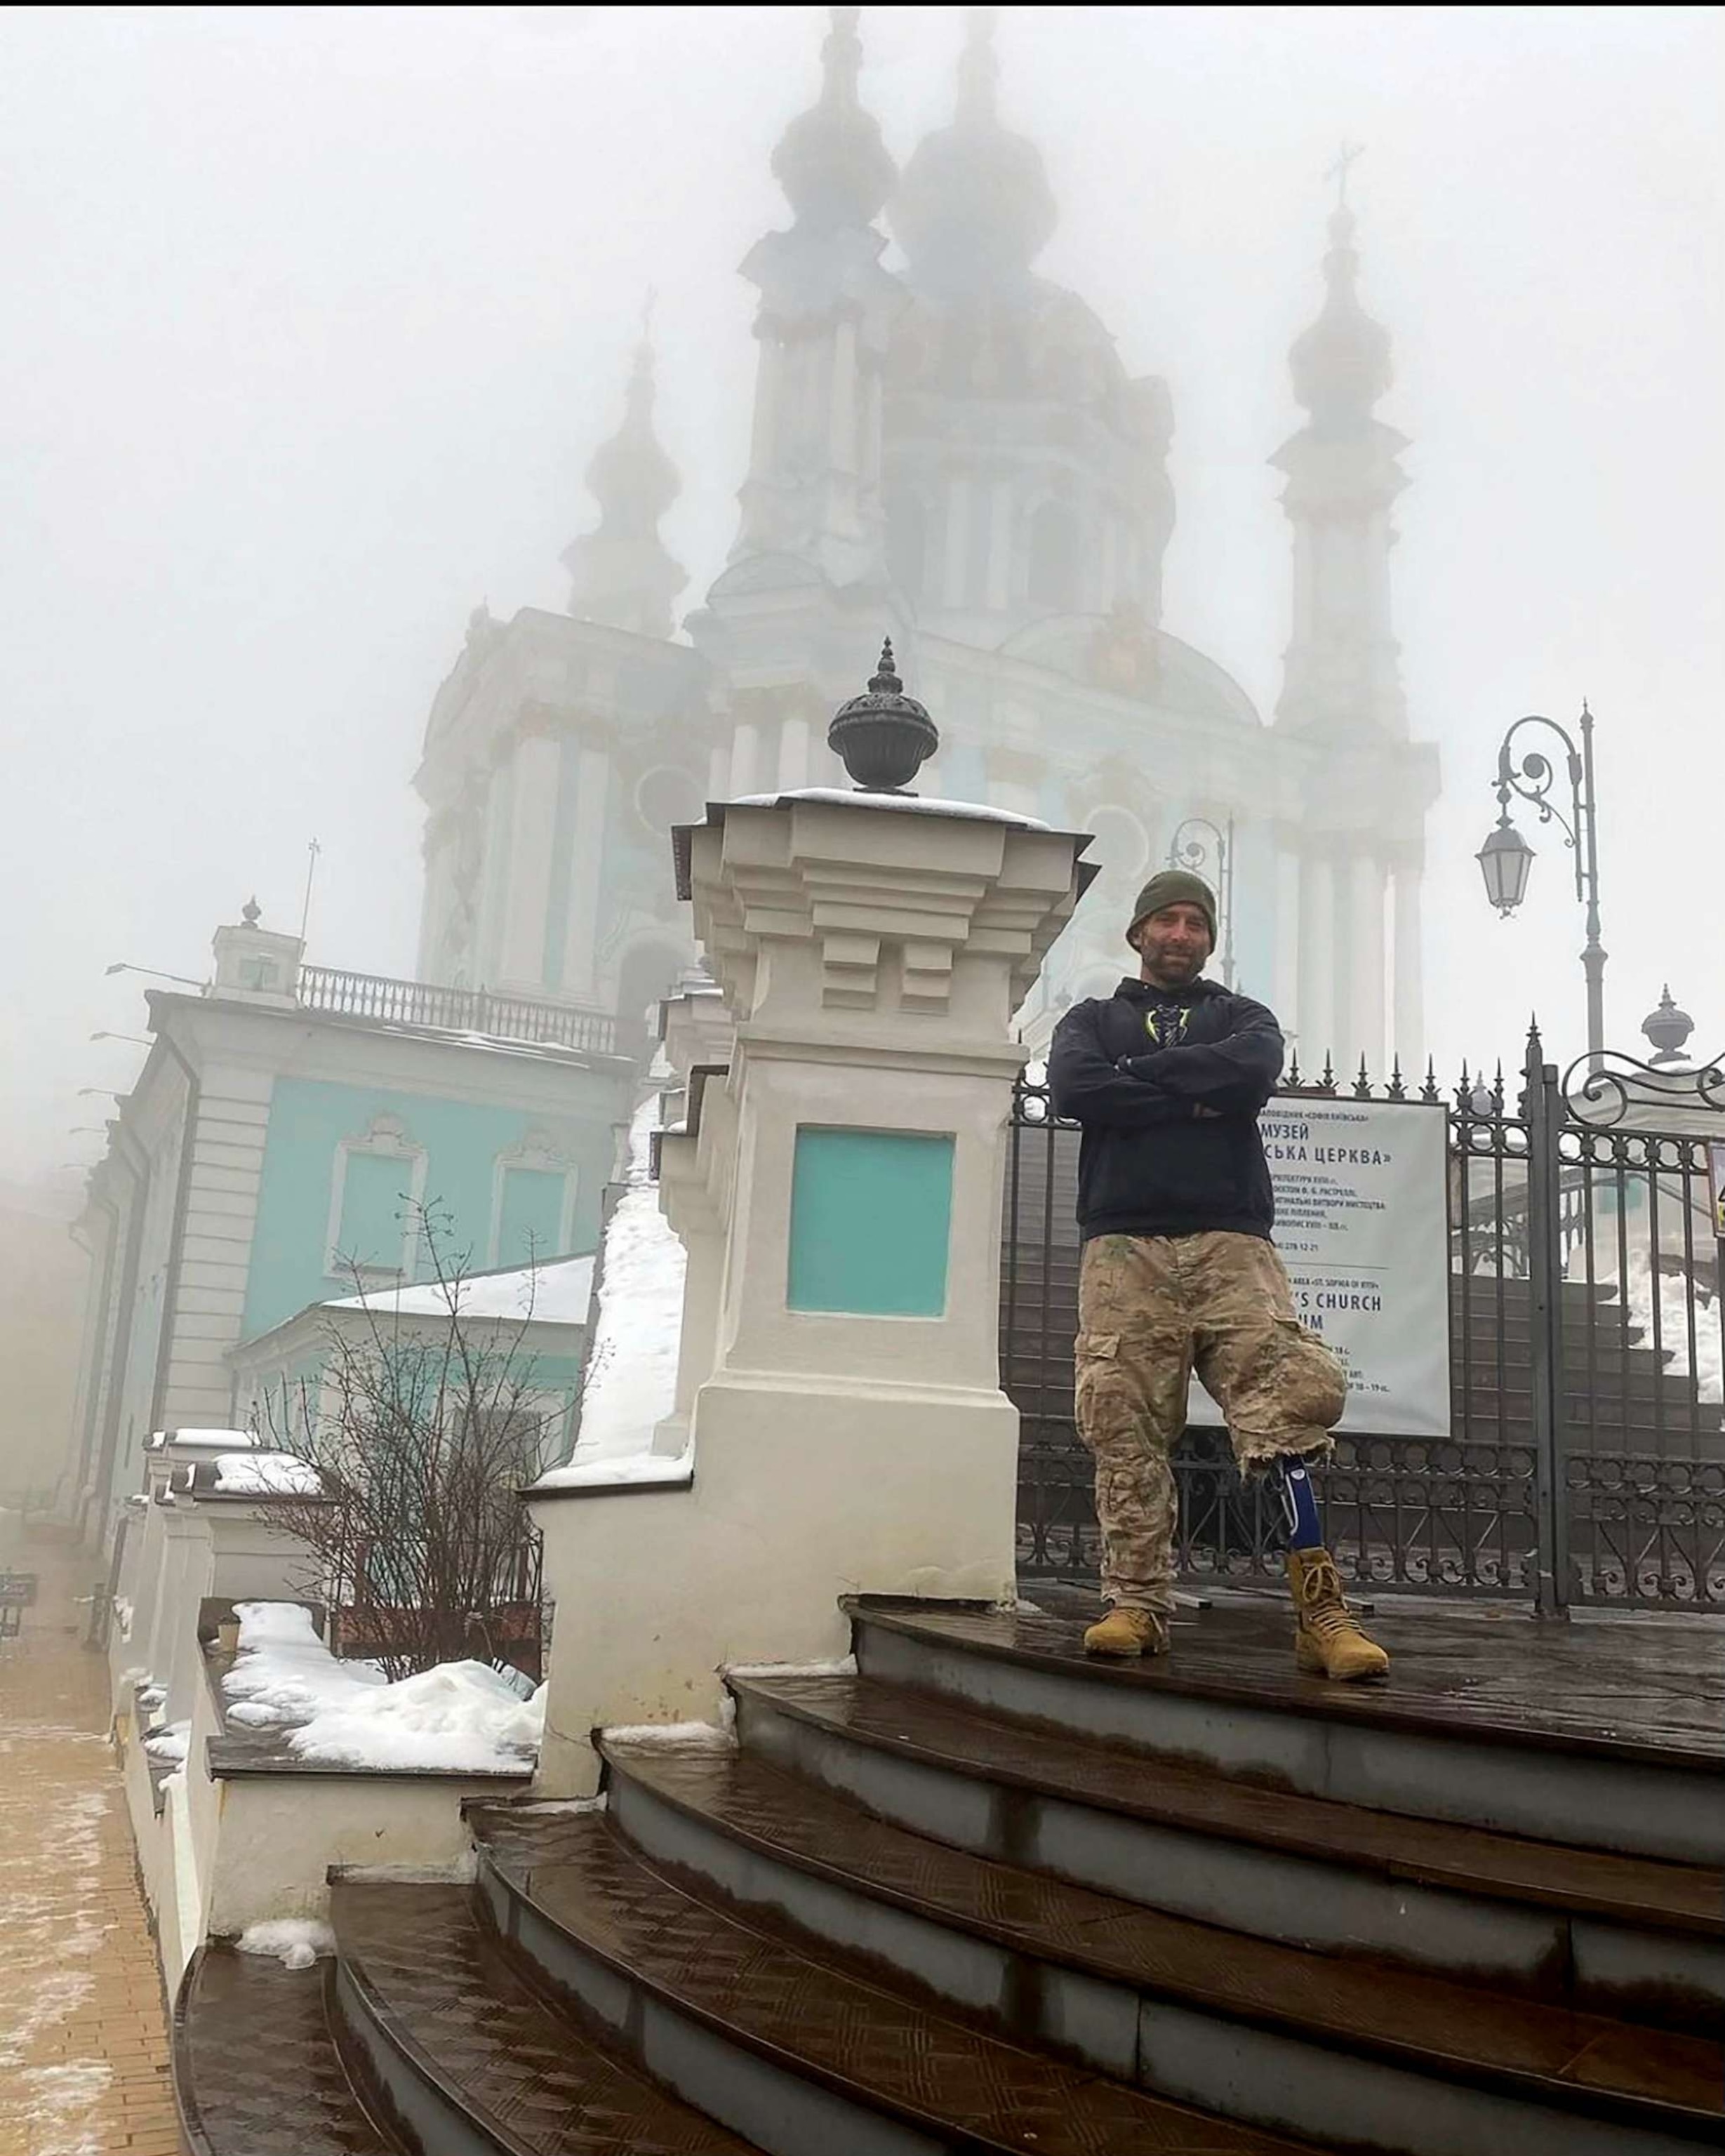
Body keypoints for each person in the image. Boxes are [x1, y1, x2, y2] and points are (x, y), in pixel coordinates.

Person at [1047, 868, 1389, 1680]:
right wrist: (1197, 1095)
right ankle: (1135, 1603)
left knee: (1287, 1405)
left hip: (1231, 1241)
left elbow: (1252, 1071)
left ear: (1208, 938)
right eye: (1164, 920)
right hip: (1123, 1245)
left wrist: (1137, 1086)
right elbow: (1072, 1087)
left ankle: (1320, 1612)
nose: (1178, 934)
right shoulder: (1090, 1020)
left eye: (1193, 923)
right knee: (1122, 1422)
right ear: (1137, 934)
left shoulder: (1244, 1017)